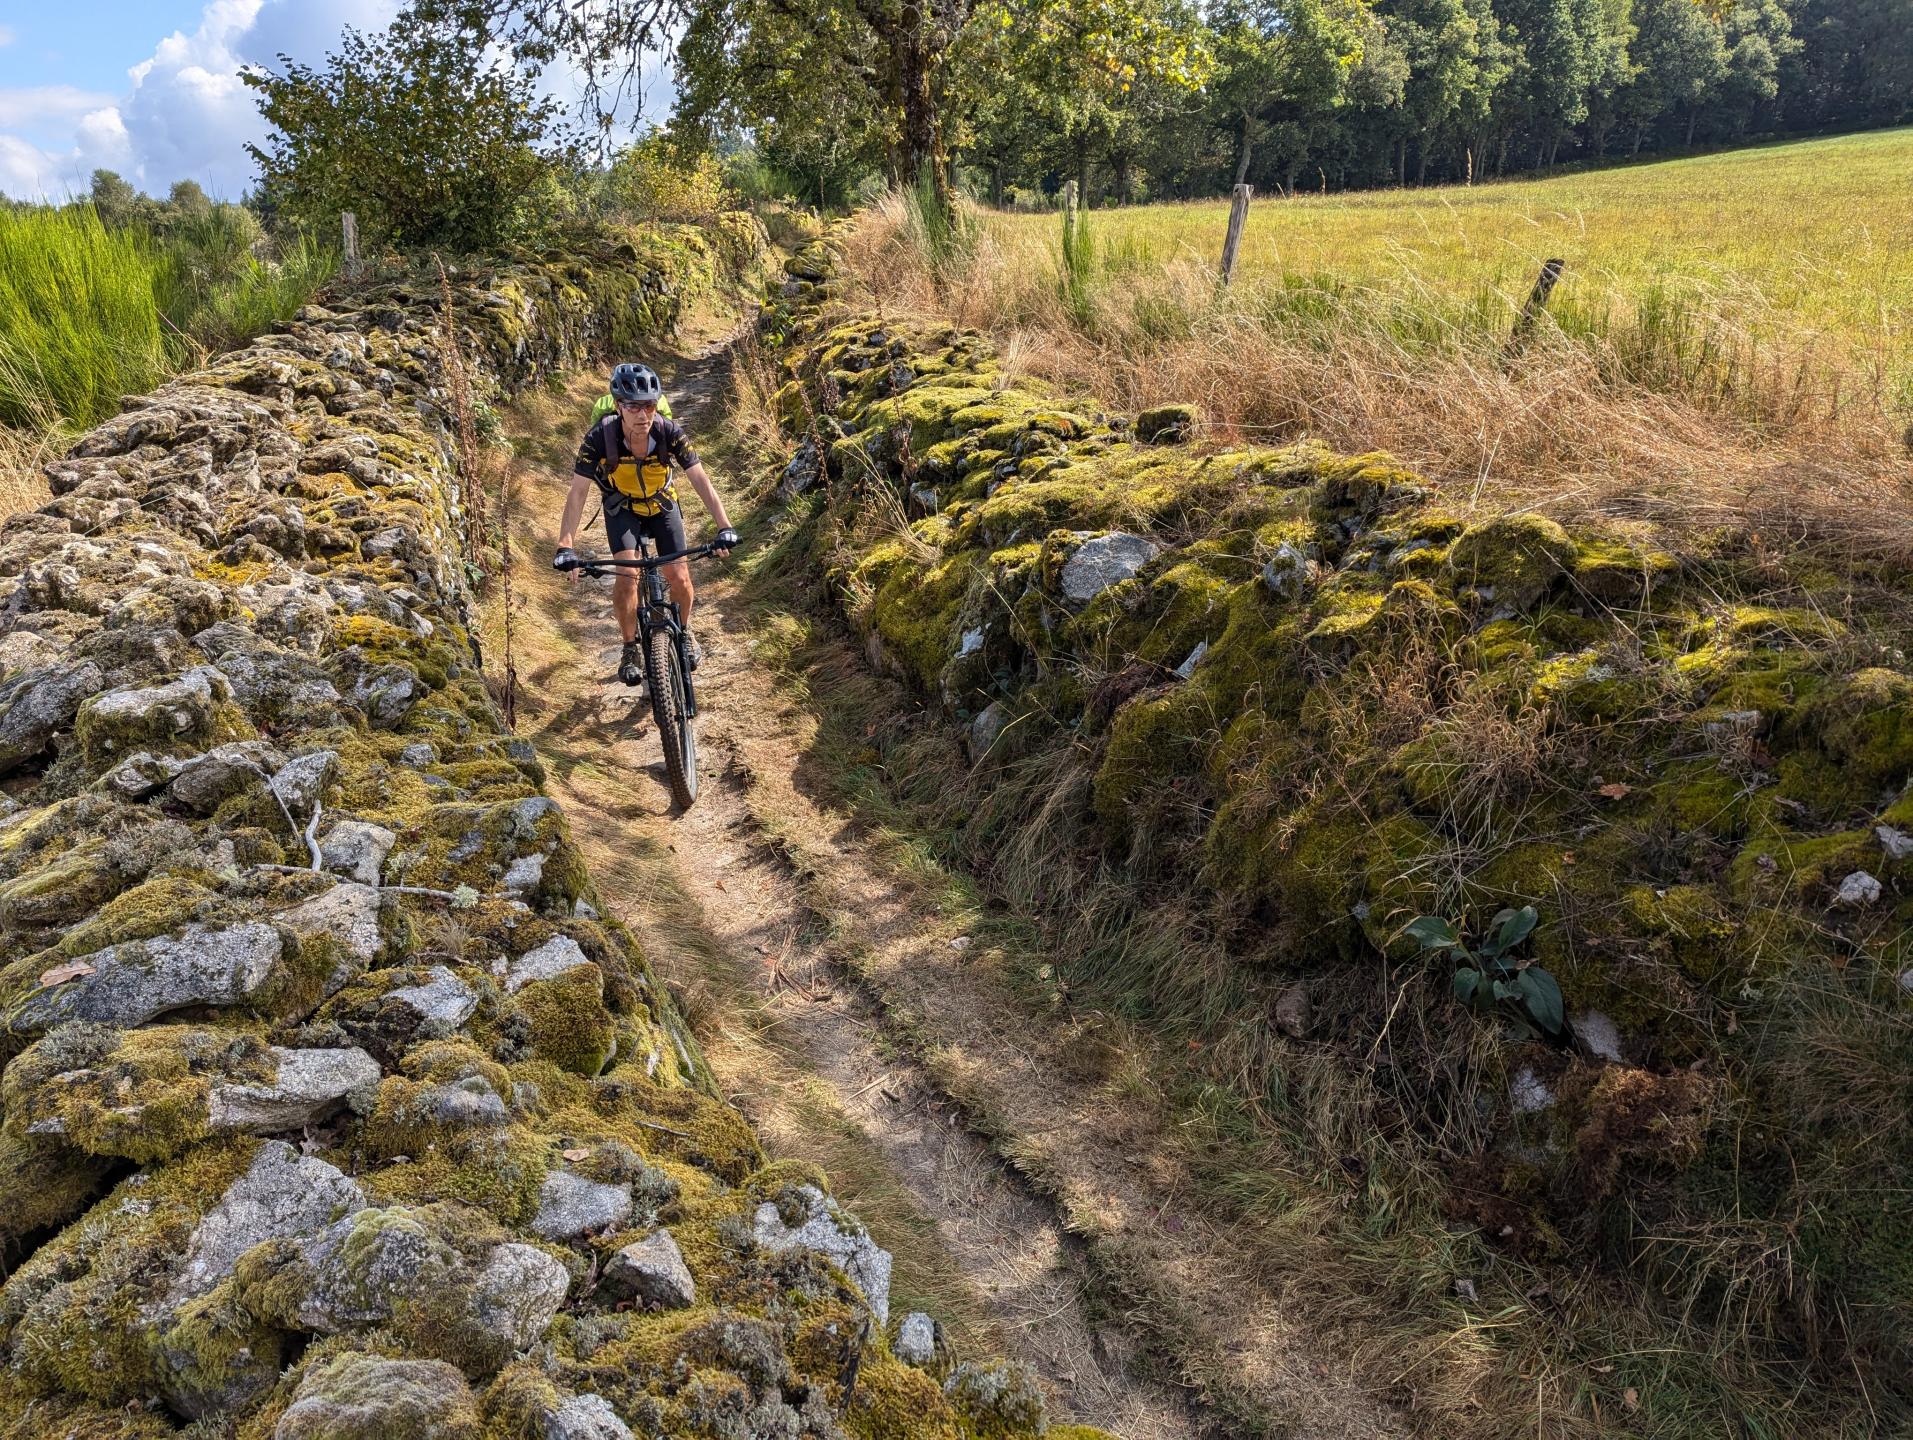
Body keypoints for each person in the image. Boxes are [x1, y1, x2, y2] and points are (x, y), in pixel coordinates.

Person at [553, 363, 739, 684]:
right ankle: (629, 647)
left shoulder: (669, 432)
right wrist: (565, 546)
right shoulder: (599, 438)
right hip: (621, 508)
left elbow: (700, 480)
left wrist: (724, 527)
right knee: (627, 576)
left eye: (649, 405)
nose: (643, 414)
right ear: (618, 406)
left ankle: (684, 631)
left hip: (662, 504)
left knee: (679, 576)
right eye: (633, 406)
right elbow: (577, 493)